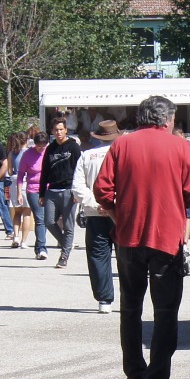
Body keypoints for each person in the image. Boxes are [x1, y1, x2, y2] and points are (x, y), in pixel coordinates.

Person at [94, 95, 190, 379]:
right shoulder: (182, 147)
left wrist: (118, 216)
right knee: (166, 309)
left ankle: (135, 374)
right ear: (166, 120)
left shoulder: (121, 145)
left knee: (130, 307)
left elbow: (102, 191)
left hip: (129, 238)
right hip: (166, 239)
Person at [72, 118, 121, 314]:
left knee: (98, 256)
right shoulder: (123, 154)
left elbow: (77, 187)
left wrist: (96, 203)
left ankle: (104, 298)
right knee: (125, 256)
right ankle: (128, 294)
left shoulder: (87, 156)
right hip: (120, 212)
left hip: (95, 212)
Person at [39, 118, 84, 269]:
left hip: (68, 190)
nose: (58, 132)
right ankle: (67, 244)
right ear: (52, 132)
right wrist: (41, 193)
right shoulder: (50, 149)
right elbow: (44, 172)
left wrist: (78, 191)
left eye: (61, 129)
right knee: (49, 222)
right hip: (52, 190)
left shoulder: (73, 147)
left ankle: (64, 256)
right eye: (55, 130)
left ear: (66, 130)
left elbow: (80, 170)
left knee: (69, 225)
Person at [16, 130, 48, 260]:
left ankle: (38, 245)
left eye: (43, 146)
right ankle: (42, 248)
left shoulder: (48, 152)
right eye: (38, 146)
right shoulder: (28, 154)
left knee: (48, 219)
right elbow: (20, 175)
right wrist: (19, 192)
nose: (41, 148)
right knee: (40, 218)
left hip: (48, 189)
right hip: (33, 189)